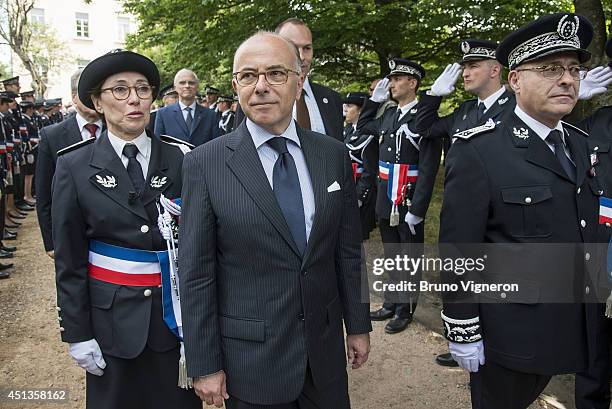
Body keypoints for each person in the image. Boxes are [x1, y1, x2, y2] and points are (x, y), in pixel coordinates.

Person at [179, 31, 372, 409]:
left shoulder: (332, 155)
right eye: (249, 76)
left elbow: (347, 250)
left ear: (299, 84)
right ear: (236, 86)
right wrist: (204, 365)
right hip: (252, 364)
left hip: (324, 358)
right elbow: (196, 272)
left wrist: (359, 324)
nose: (261, 87)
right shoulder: (205, 163)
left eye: (275, 74)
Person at [439, 13, 602, 408]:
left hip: (574, 320)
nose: (566, 79)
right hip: (512, 332)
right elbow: (460, 249)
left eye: (573, 69)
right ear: (514, 80)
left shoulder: (579, 143)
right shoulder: (479, 150)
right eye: (549, 69)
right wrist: (463, 328)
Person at [52, 49, 201, 409]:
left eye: (142, 89)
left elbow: (202, 248)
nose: (133, 99)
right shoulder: (74, 166)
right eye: (119, 90)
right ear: (97, 102)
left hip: (176, 322)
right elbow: (69, 261)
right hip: (112, 326)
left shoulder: (184, 159)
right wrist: (77, 333)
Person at [364, 58, 442, 334]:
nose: (392, 84)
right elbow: (364, 128)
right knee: (392, 253)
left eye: (398, 79)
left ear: (412, 83)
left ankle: (405, 309)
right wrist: (373, 102)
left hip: (408, 198)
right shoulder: (389, 115)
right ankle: (391, 301)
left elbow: (430, 167)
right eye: (392, 79)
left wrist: (418, 207)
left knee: (408, 256)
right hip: (387, 195)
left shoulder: (423, 117)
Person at [232, 19, 344, 140]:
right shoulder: (254, 100)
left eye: (307, 48)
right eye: (293, 47)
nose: (301, 56)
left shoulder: (331, 98)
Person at [36, 68, 103, 258]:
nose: (93, 99)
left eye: (97, 93)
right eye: (87, 94)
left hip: (110, 234)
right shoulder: (52, 136)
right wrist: (50, 241)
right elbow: (44, 193)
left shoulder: (116, 130)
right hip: (70, 231)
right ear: (74, 97)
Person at [415, 40, 515, 161]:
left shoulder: (517, 107)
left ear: (494, 70)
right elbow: (425, 128)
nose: (465, 74)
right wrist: (433, 94)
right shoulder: (464, 110)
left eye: (473, 66)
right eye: (464, 68)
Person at [342, 91, 377, 240]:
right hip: (347, 188)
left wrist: (359, 197)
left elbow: (370, 171)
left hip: (359, 193)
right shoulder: (348, 130)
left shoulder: (368, 136)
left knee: (356, 239)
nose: (344, 109)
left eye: (349, 106)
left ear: (361, 110)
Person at [154, 68, 219, 146]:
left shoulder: (211, 115)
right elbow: (158, 145)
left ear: (197, 86)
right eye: (182, 83)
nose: (187, 86)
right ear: (175, 87)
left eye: (191, 83)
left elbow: (216, 146)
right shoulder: (163, 114)